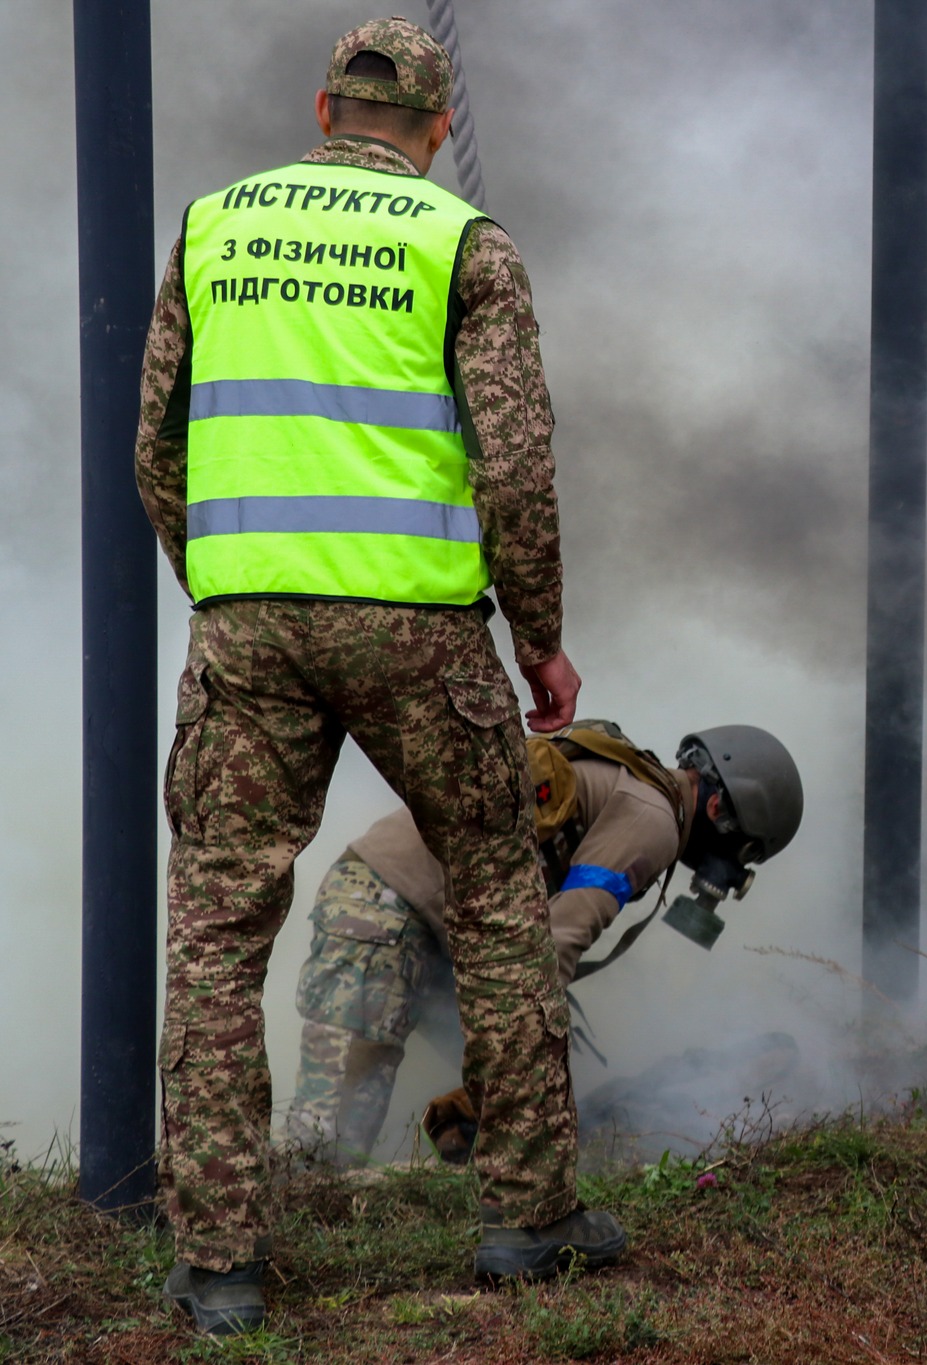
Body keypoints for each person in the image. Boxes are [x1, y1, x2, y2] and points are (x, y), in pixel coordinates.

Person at [134, 18, 620, 1335]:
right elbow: (515, 464)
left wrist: (224, 587)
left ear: (324, 107)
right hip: (420, 636)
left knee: (217, 934)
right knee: (501, 902)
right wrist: (539, 635)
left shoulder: (215, 226)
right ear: (440, 124)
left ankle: (221, 1260)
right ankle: (529, 1221)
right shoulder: (467, 245)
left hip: (249, 631)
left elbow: (157, 451)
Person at [283, 721, 805, 1167]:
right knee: (331, 1132)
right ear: (717, 807)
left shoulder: (640, 789)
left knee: (529, 1077)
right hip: (388, 905)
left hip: (422, 918)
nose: (729, 870)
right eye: (741, 854)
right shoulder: (655, 821)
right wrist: (518, 1050)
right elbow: (559, 937)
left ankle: (466, 1185)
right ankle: (284, 1239)